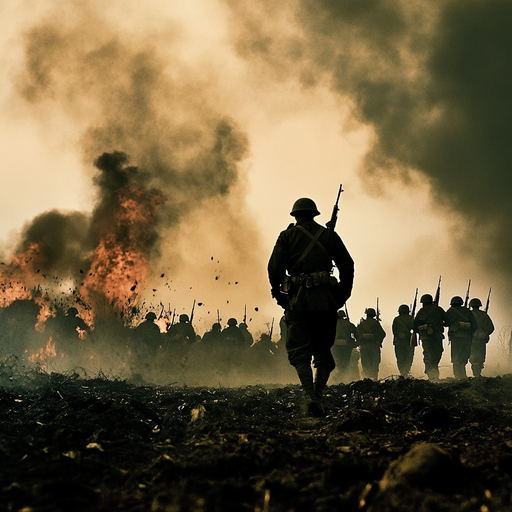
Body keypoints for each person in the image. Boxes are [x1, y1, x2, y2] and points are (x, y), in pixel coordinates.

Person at [268, 197, 354, 417]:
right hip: (326, 302)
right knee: (323, 350)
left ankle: (309, 395)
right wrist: (341, 295)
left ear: (295, 215)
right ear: (314, 214)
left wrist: (280, 296)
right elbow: (347, 265)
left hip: (297, 302)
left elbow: (274, 270)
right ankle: (317, 394)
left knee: (299, 352)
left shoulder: (286, 236)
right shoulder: (329, 235)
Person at [414, 294, 450, 381]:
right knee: (437, 352)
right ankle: (432, 371)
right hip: (437, 335)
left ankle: (430, 370)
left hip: (426, 337)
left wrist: (421, 332)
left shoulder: (421, 311)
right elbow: (448, 321)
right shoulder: (438, 309)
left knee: (428, 354)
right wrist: (441, 324)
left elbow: (415, 325)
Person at [446, 296, 477, 379]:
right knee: (464, 356)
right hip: (467, 337)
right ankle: (463, 374)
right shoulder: (467, 311)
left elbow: (445, 322)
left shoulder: (450, 311)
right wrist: (468, 330)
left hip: (455, 337)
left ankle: (457, 375)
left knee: (456, 356)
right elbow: (475, 325)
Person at [356, 308, 386, 380]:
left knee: (365, 364)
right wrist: (378, 341)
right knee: (375, 363)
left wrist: (360, 341)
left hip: (364, 347)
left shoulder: (362, 324)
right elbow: (383, 334)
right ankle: (374, 379)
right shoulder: (376, 323)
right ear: (374, 315)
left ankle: (366, 379)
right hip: (374, 346)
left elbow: (356, 334)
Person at [468, 298, 495, 377]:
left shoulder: (469, 314)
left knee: (472, 356)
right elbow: (491, 328)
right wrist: (485, 333)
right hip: (481, 339)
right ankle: (478, 374)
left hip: (471, 339)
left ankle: (476, 374)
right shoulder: (484, 315)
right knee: (480, 356)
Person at [332, 309, 358, 383]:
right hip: (346, 347)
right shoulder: (349, 324)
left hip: (335, 347)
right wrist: (356, 342)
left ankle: (338, 379)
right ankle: (341, 379)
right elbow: (357, 334)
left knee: (337, 363)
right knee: (345, 363)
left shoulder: (332, 324)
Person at [392, 304, 415, 377]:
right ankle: (407, 372)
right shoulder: (410, 319)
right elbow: (415, 328)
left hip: (399, 342)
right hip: (409, 342)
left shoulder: (396, 319)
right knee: (409, 358)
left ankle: (402, 372)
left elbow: (394, 331)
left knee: (400, 358)